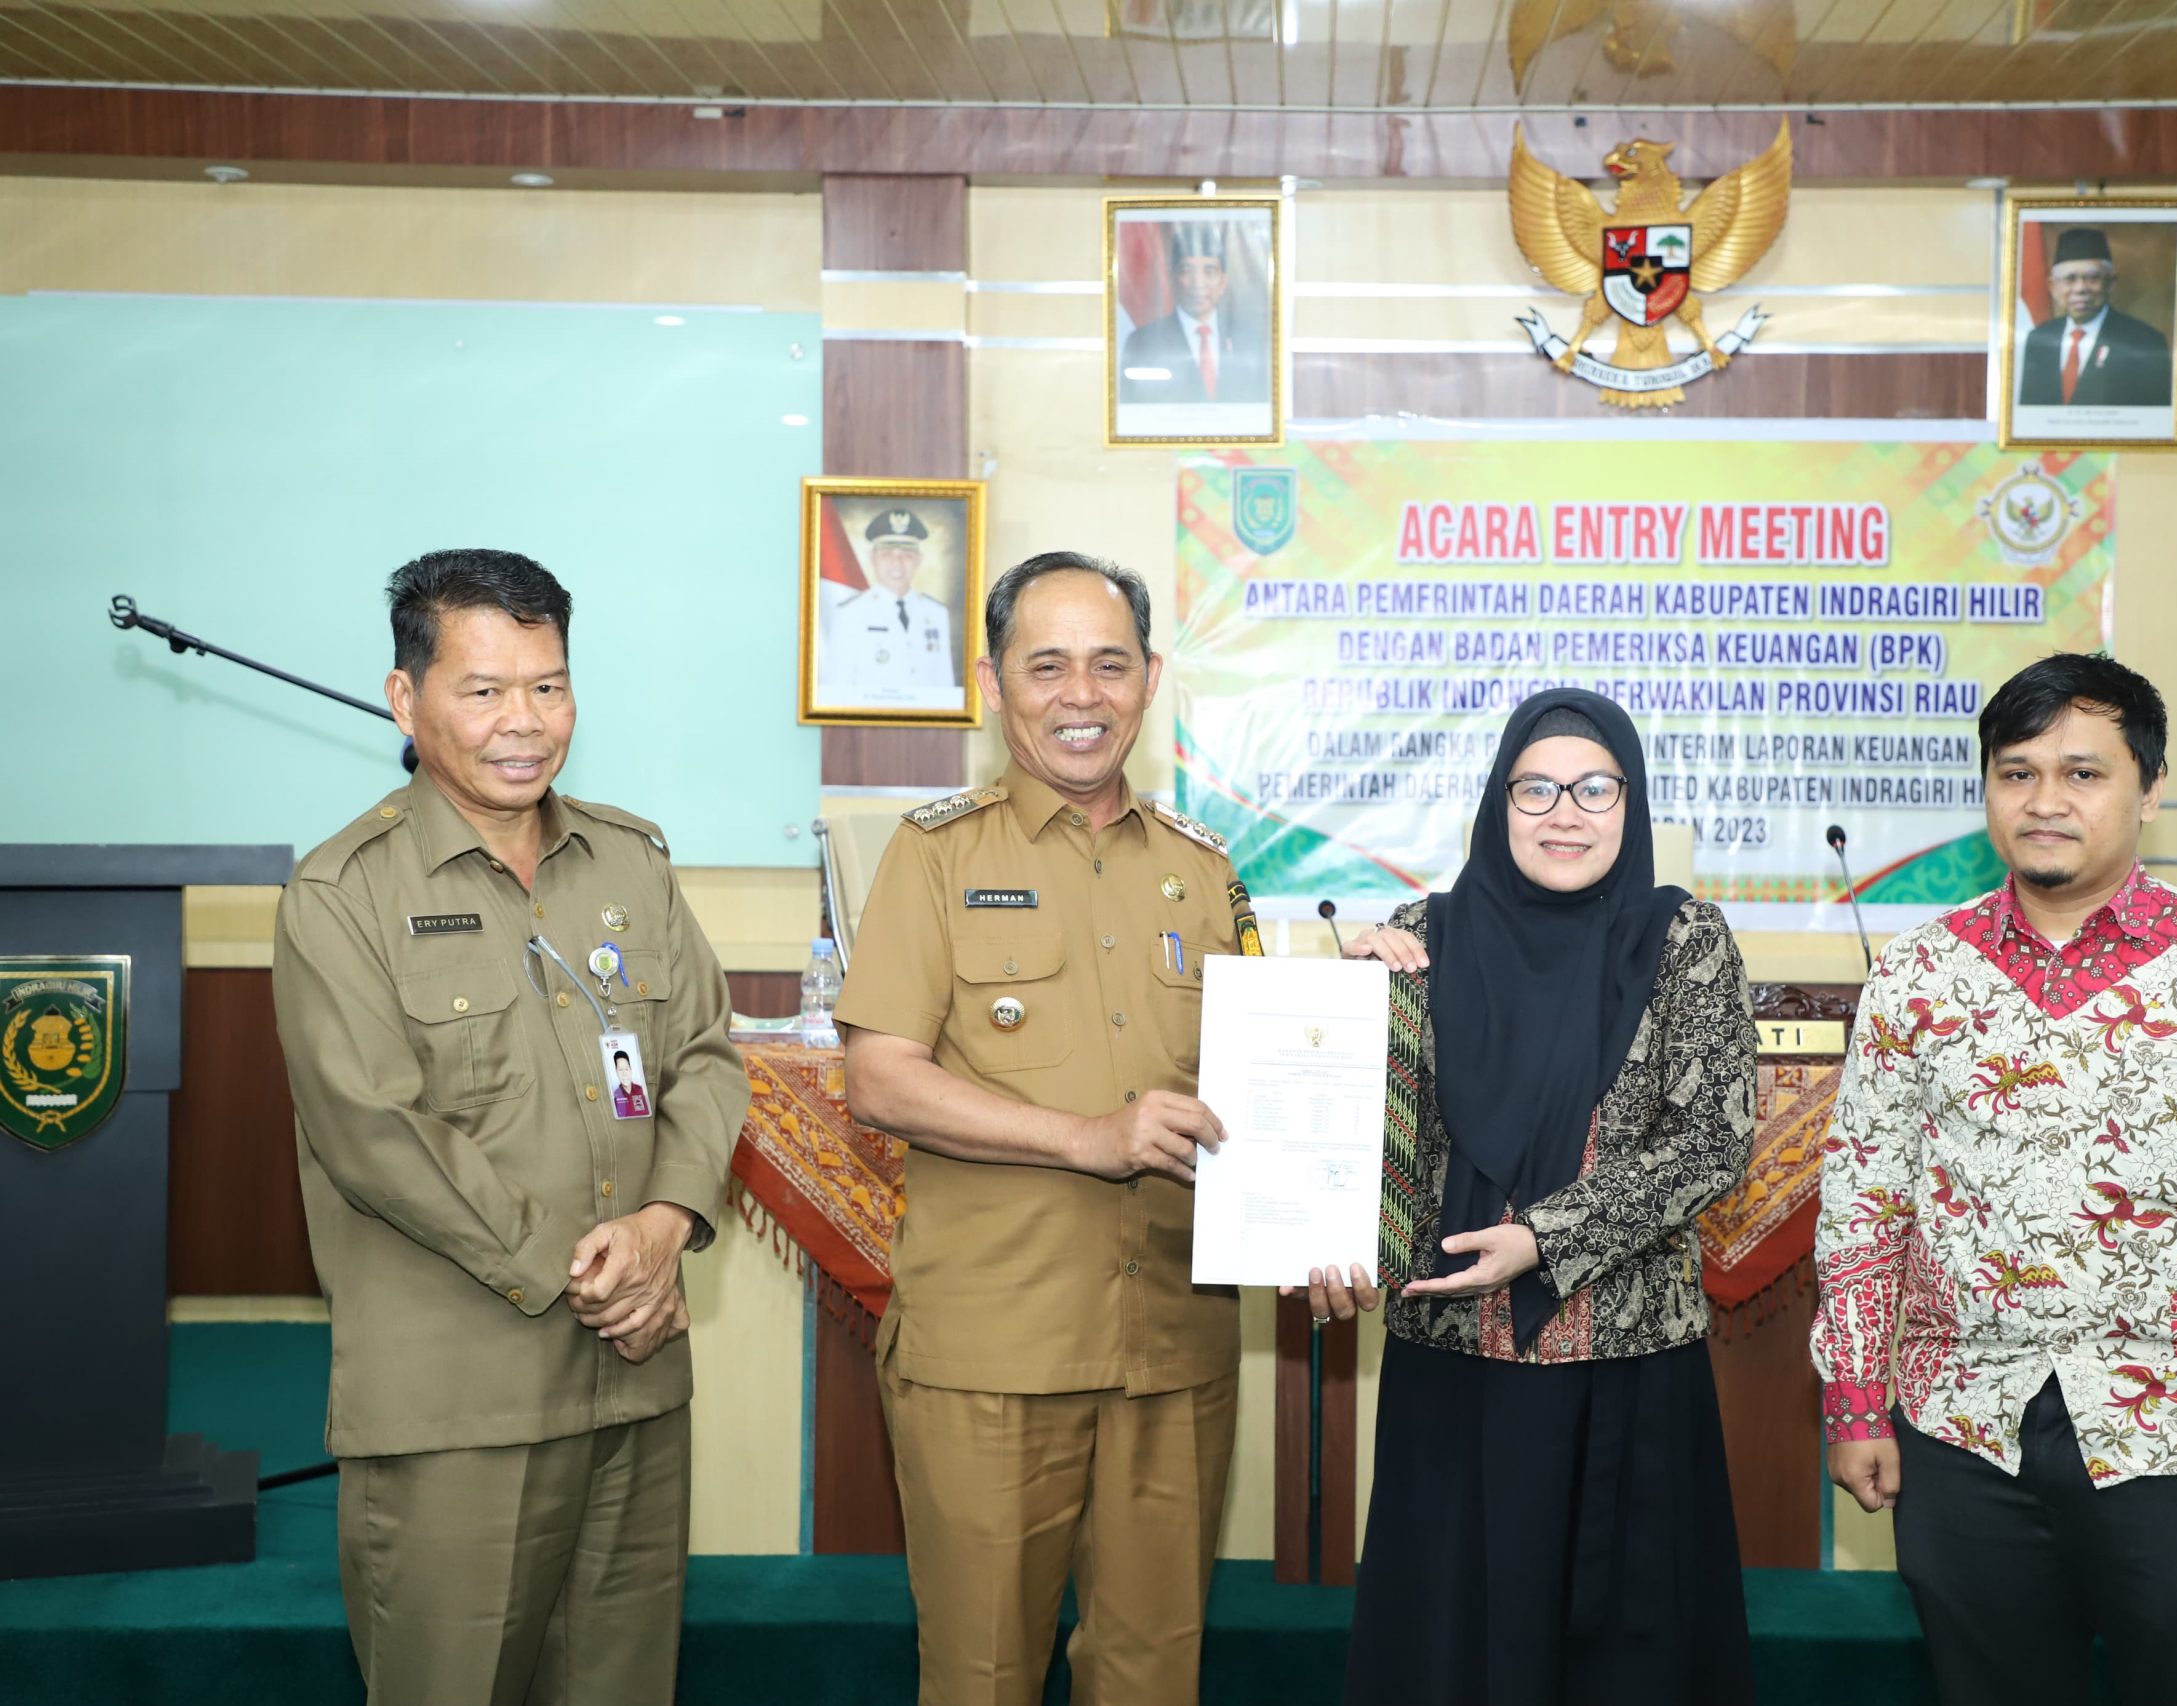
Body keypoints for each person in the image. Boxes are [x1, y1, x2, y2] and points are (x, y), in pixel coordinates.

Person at [1813, 653, 2177, 1706]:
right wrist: (1852, 1401)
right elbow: (1865, 1202)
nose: (2045, 801)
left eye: (2082, 772)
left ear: (2148, 787)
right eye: (2016, 772)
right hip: (1961, 1417)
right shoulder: (1920, 974)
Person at [272, 548, 748, 1706]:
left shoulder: (629, 860)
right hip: (458, 1405)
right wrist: (601, 1270)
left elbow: (707, 1059)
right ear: (406, 697)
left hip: (634, 1389)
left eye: (549, 684)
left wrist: (667, 1222)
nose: (523, 722)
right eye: (483, 689)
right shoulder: (343, 891)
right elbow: (377, 1129)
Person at [839, 549, 1256, 1706]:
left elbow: (1254, 1092)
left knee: (1153, 1674)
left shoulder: (1202, 870)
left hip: (1172, 1346)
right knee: (981, 1676)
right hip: (993, 1350)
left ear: (1152, 676)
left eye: (1111, 663)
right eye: (1049, 664)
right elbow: (878, 1077)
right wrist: (1086, 1137)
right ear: (993, 680)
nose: (1083, 693)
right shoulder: (934, 855)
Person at [1309, 688, 1759, 1706]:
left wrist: (1542, 1238)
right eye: (1537, 787)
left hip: (1628, 1376)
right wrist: (1339, 1005)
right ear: (1498, 801)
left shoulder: (1683, 938)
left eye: (1595, 788)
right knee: (1455, 1650)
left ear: (1631, 802)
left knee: (1626, 1657)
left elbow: (1712, 1141)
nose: (1566, 811)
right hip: (1455, 1367)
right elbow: (1366, 1128)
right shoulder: (1422, 936)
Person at [818, 508, 962, 710]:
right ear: (872, 558)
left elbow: (944, 685)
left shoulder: (936, 614)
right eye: (887, 555)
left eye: (906, 555)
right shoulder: (849, 614)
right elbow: (836, 689)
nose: (897, 563)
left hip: (928, 731)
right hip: (865, 729)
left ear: (918, 559)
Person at [2017, 226, 2174, 408]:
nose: (2080, 289)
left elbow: (2154, 420)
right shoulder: (2039, 338)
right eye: (2070, 279)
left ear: (2111, 283)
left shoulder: (2145, 341)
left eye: (2092, 278)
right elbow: (2029, 412)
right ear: (2053, 286)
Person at [1119, 223, 1270, 408]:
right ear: (1173, 278)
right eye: (1187, 271)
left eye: (1209, 271)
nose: (1198, 283)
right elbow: (1132, 413)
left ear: (1223, 282)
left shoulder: (1248, 339)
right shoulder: (1143, 342)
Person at [612, 1047, 650, 1119]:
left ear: (630, 1069)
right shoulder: (615, 1096)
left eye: (626, 1069)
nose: (624, 1073)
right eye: (620, 1070)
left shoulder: (642, 1090)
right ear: (616, 1072)